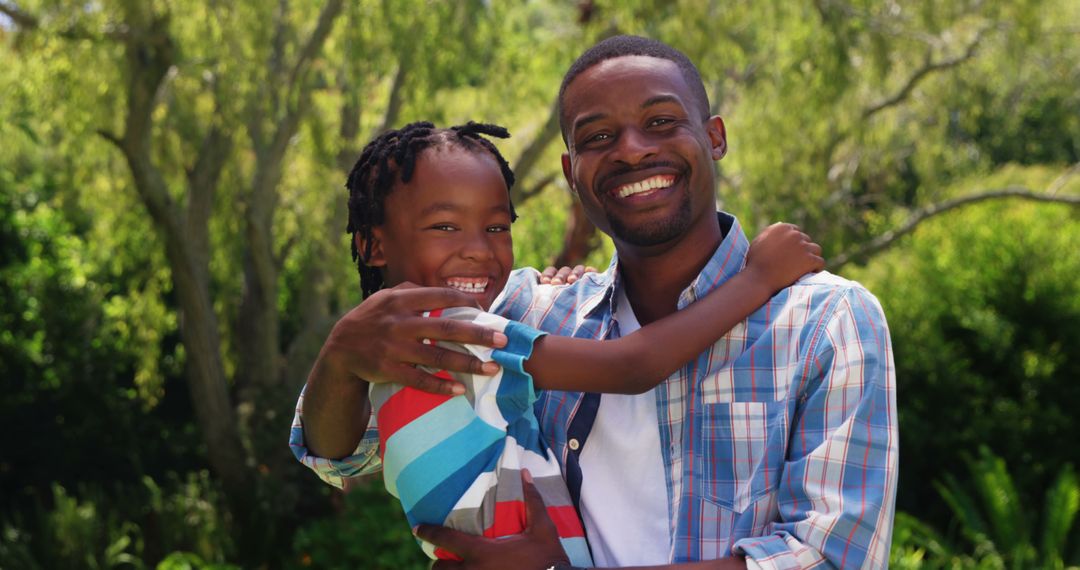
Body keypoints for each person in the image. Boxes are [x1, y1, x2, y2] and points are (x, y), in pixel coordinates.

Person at [297, 36, 897, 569]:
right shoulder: (525, 311)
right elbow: (342, 457)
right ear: (570, 170)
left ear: (714, 137)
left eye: (661, 122)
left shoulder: (825, 321)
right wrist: (340, 358)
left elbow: (827, 557)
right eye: (598, 137)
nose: (632, 151)